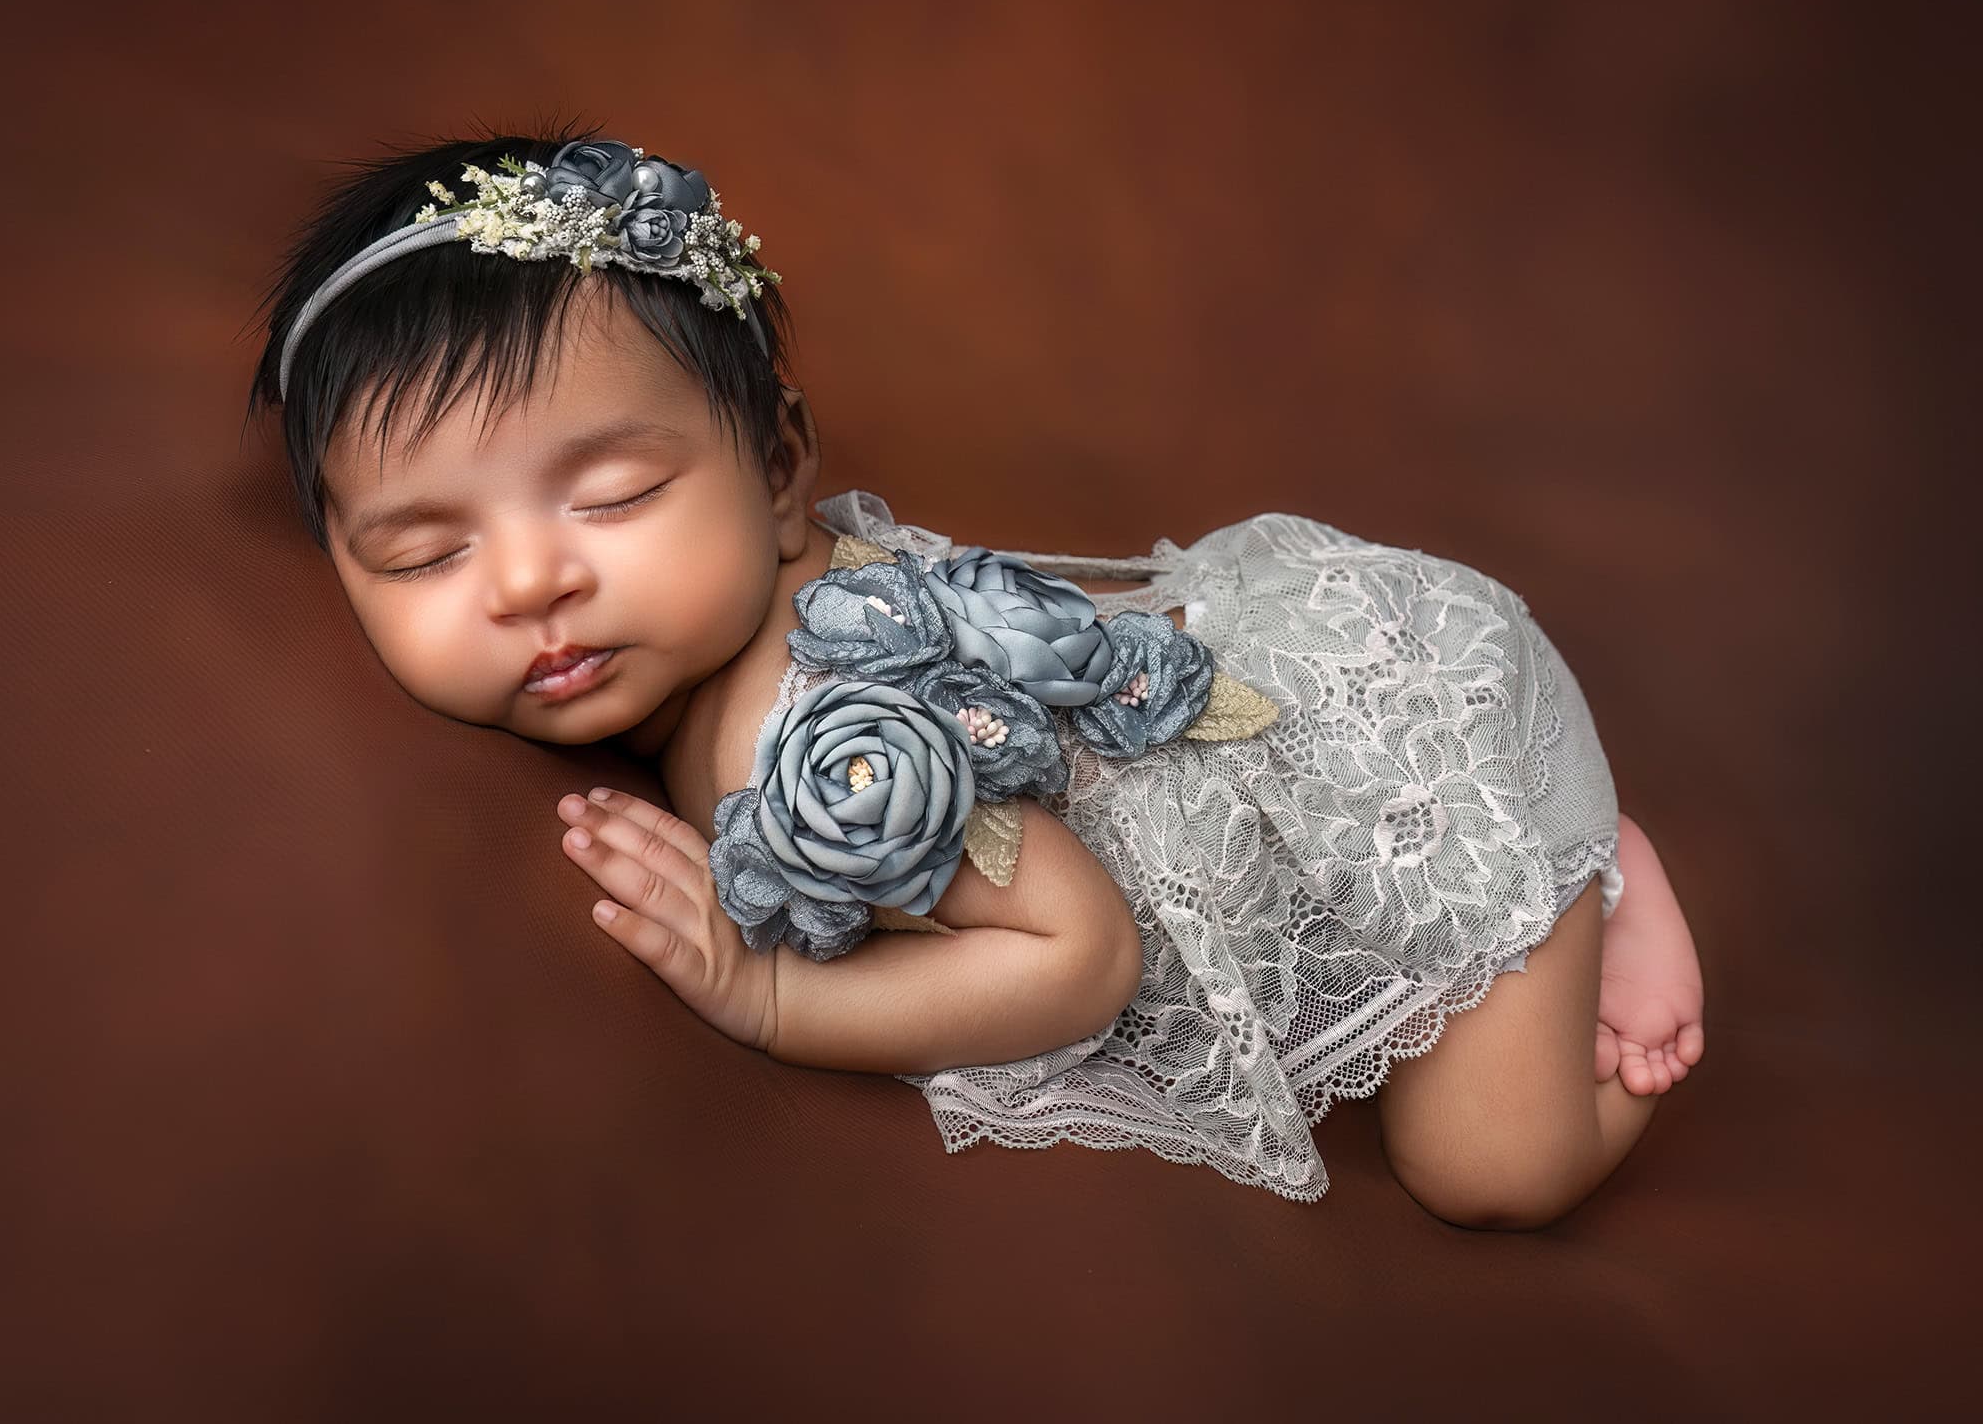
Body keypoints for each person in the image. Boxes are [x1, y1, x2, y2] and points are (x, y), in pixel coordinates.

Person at [247, 123, 1705, 1224]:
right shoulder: (689, 675)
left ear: (774, 475)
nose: (527, 583)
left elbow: (1081, 955)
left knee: (1495, 1170)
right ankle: (1571, 864)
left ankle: (1589, 867)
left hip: (1406, 714)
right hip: (1263, 696)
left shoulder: (807, 717)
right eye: (424, 553)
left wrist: (767, 998)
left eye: (615, 496)